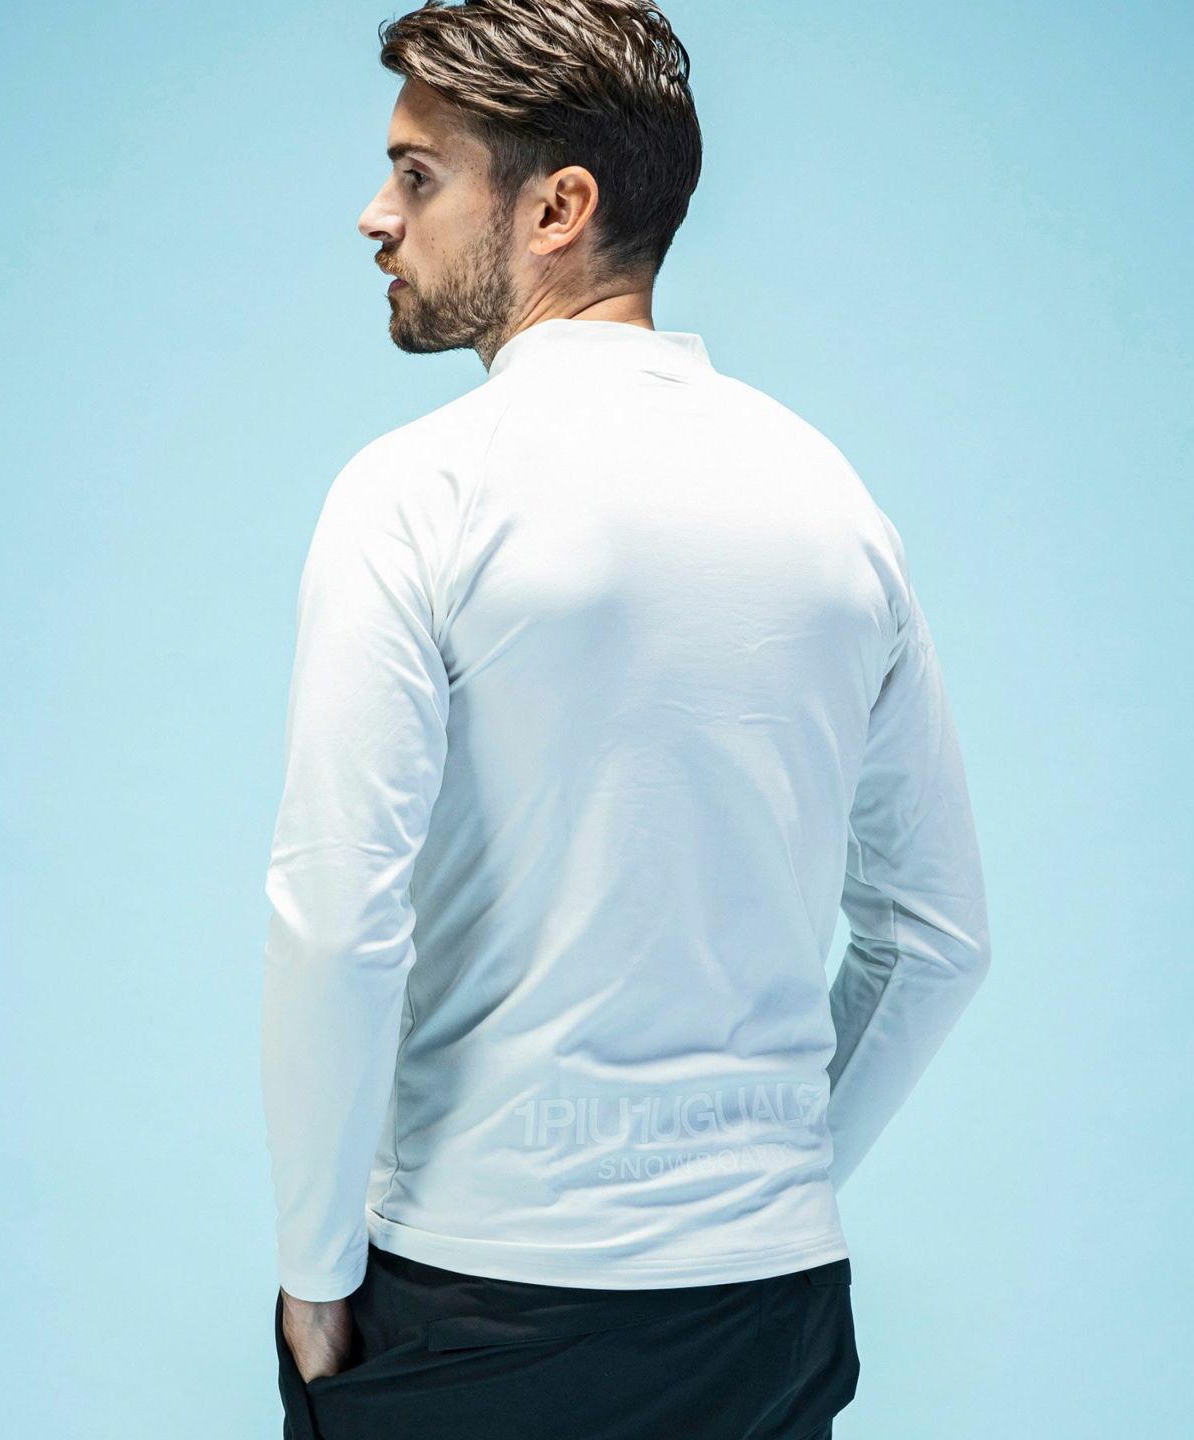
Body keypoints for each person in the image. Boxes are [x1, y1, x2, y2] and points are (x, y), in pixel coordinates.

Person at [260, 3, 992, 1437]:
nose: (376, 216)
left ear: (559, 208)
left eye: (417, 174)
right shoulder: (834, 503)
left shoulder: (417, 493)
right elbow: (937, 938)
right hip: (768, 1313)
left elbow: (336, 920)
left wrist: (314, 1265)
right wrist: (765, 1189)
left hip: (478, 1294)